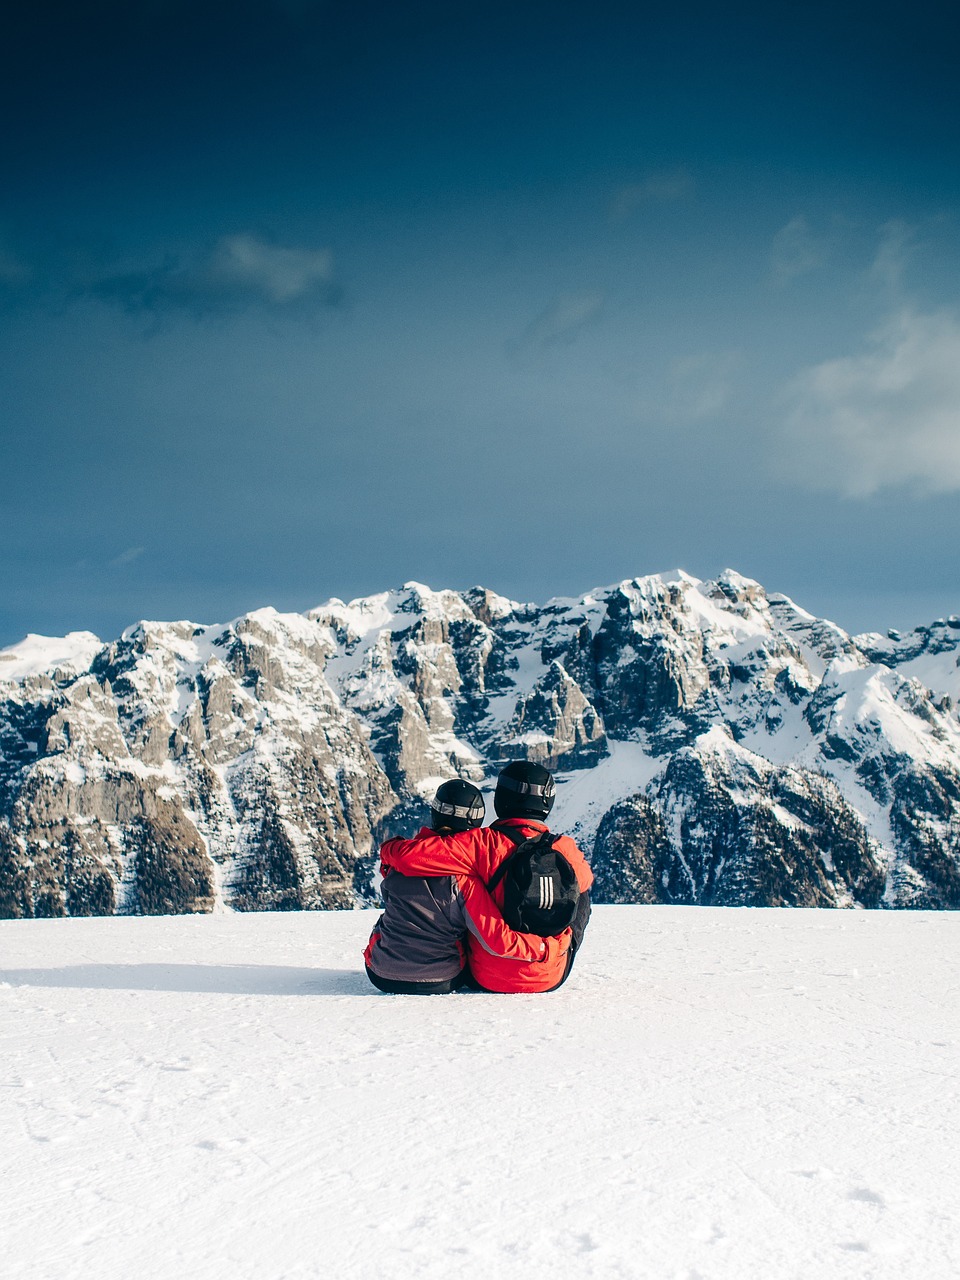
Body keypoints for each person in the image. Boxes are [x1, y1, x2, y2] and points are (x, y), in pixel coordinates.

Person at [379, 761, 593, 993]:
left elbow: (409, 857)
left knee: (464, 890)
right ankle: (552, 957)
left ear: (501, 799)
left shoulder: (480, 843)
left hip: (487, 977)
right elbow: (586, 881)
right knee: (581, 894)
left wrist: (392, 846)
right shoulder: (565, 847)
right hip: (551, 973)